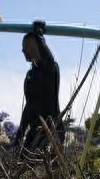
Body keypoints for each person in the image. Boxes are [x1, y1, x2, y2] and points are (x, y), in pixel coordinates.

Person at [13, 21, 65, 151]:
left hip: (51, 129)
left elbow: (48, 58)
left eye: (25, 46)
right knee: (22, 163)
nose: (22, 50)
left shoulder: (50, 69)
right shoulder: (31, 74)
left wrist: (39, 36)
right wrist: (20, 133)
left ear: (35, 47)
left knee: (47, 169)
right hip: (34, 130)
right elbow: (29, 104)